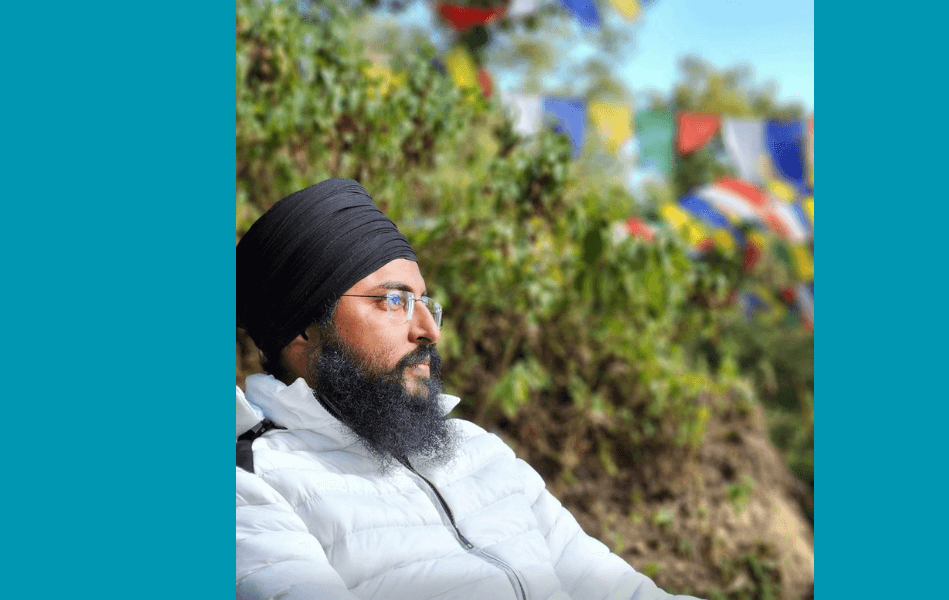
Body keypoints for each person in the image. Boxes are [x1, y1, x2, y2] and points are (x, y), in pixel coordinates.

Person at [236, 178, 700, 600]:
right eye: (394, 301)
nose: (429, 330)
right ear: (304, 329)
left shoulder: (477, 451)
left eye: (424, 302)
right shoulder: (250, 486)